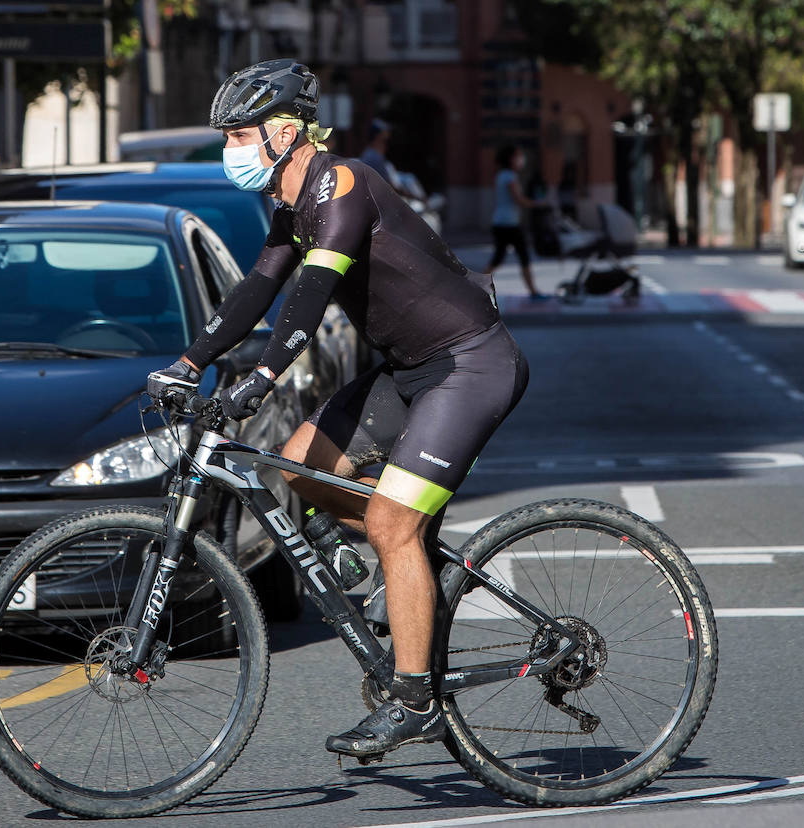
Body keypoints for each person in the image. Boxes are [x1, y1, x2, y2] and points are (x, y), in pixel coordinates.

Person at [147, 59, 529, 759]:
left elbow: (312, 294)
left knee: (390, 521)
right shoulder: (289, 205)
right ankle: (401, 562)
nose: (230, 151)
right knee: (297, 465)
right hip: (409, 369)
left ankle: (414, 699)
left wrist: (263, 374)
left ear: (285, 132)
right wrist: (188, 362)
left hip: (471, 363)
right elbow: (257, 292)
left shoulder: (343, 186)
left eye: (238, 136)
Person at [487, 145, 540, 298]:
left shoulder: (501, 175)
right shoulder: (510, 176)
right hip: (508, 223)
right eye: (518, 155)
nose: (521, 159)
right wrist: (537, 204)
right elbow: (518, 199)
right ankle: (533, 291)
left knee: (499, 256)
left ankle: (476, 286)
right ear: (511, 159)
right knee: (522, 255)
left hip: (502, 222)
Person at [358, 118, 397, 185]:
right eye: (385, 130)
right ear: (377, 134)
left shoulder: (375, 152)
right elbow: (387, 184)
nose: (388, 132)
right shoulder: (372, 155)